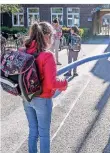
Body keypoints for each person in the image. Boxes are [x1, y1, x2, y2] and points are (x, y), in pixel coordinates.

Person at [22, 21, 68, 153]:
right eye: (52, 36)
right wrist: (64, 83)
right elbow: (51, 83)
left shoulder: (25, 51)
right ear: (46, 36)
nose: (53, 39)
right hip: (42, 99)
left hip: (26, 97)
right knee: (44, 134)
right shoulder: (47, 55)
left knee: (33, 131)